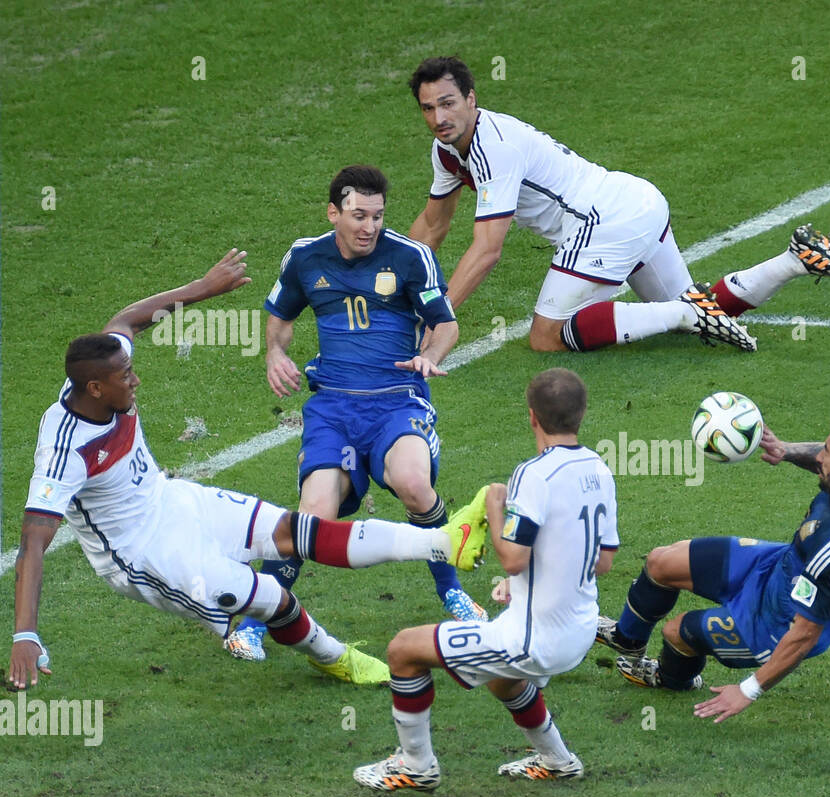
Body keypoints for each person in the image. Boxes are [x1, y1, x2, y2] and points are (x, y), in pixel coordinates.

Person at [9, 251, 485, 691]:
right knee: (273, 599)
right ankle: (334, 656)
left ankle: (443, 542)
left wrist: (205, 285)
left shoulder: (104, 369)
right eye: (124, 378)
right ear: (94, 387)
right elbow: (33, 542)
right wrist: (25, 635)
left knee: (297, 531)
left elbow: (125, 320)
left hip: (173, 500)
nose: (135, 379)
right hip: (144, 553)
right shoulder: (64, 451)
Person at [406, 56, 830, 355]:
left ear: (471, 98)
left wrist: (441, 315)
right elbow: (432, 225)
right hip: (636, 202)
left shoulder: (495, 146)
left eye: (447, 103)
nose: (439, 118)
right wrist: (388, 280)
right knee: (687, 306)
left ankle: (688, 312)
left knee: (546, 336)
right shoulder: (448, 150)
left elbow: (488, 249)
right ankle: (793, 260)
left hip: (603, 223)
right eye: (428, 109)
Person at [224, 165, 489, 663]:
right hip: (333, 409)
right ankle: (259, 618)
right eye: (359, 215)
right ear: (334, 212)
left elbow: (446, 326)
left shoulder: (411, 257)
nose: (370, 226)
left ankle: (452, 592)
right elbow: (280, 320)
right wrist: (274, 354)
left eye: (378, 215)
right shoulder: (306, 257)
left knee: (413, 483)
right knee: (313, 519)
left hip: (397, 401)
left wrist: (430, 356)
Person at [353, 368, 617, 791]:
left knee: (403, 650)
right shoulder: (599, 469)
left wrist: (495, 505)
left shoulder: (534, 474)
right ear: (582, 414)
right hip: (580, 631)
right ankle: (556, 759)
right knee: (502, 677)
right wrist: (526, 586)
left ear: (531, 416)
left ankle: (416, 765)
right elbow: (601, 561)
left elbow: (512, 558)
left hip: (534, 640)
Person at [594, 412, 830, 724]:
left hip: (774, 622)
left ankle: (671, 679)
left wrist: (748, 690)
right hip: (778, 565)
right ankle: (628, 639)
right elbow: (826, 463)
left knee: (677, 632)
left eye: (827, 452)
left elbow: (805, 634)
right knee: (661, 561)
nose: (819, 456)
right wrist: (786, 450)